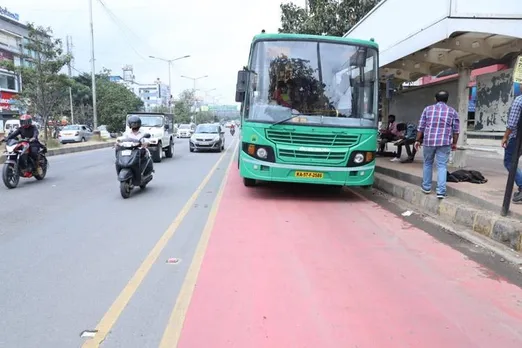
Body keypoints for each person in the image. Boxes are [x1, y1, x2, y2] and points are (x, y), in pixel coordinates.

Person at [414, 90, 460, 199]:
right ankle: (441, 192)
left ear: (435, 99)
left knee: (428, 163)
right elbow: (456, 130)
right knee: (442, 166)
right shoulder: (452, 111)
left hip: (429, 141)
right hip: (444, 143)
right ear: (447, 99)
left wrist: (417, 140)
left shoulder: (428, 109)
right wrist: (454, 143)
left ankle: (426, 187)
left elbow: (421, 127)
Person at [501, 94, 522, 204]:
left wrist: (505, 137)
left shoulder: (519, 100)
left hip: (517, 137)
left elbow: (512, 123)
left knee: (509, 162)